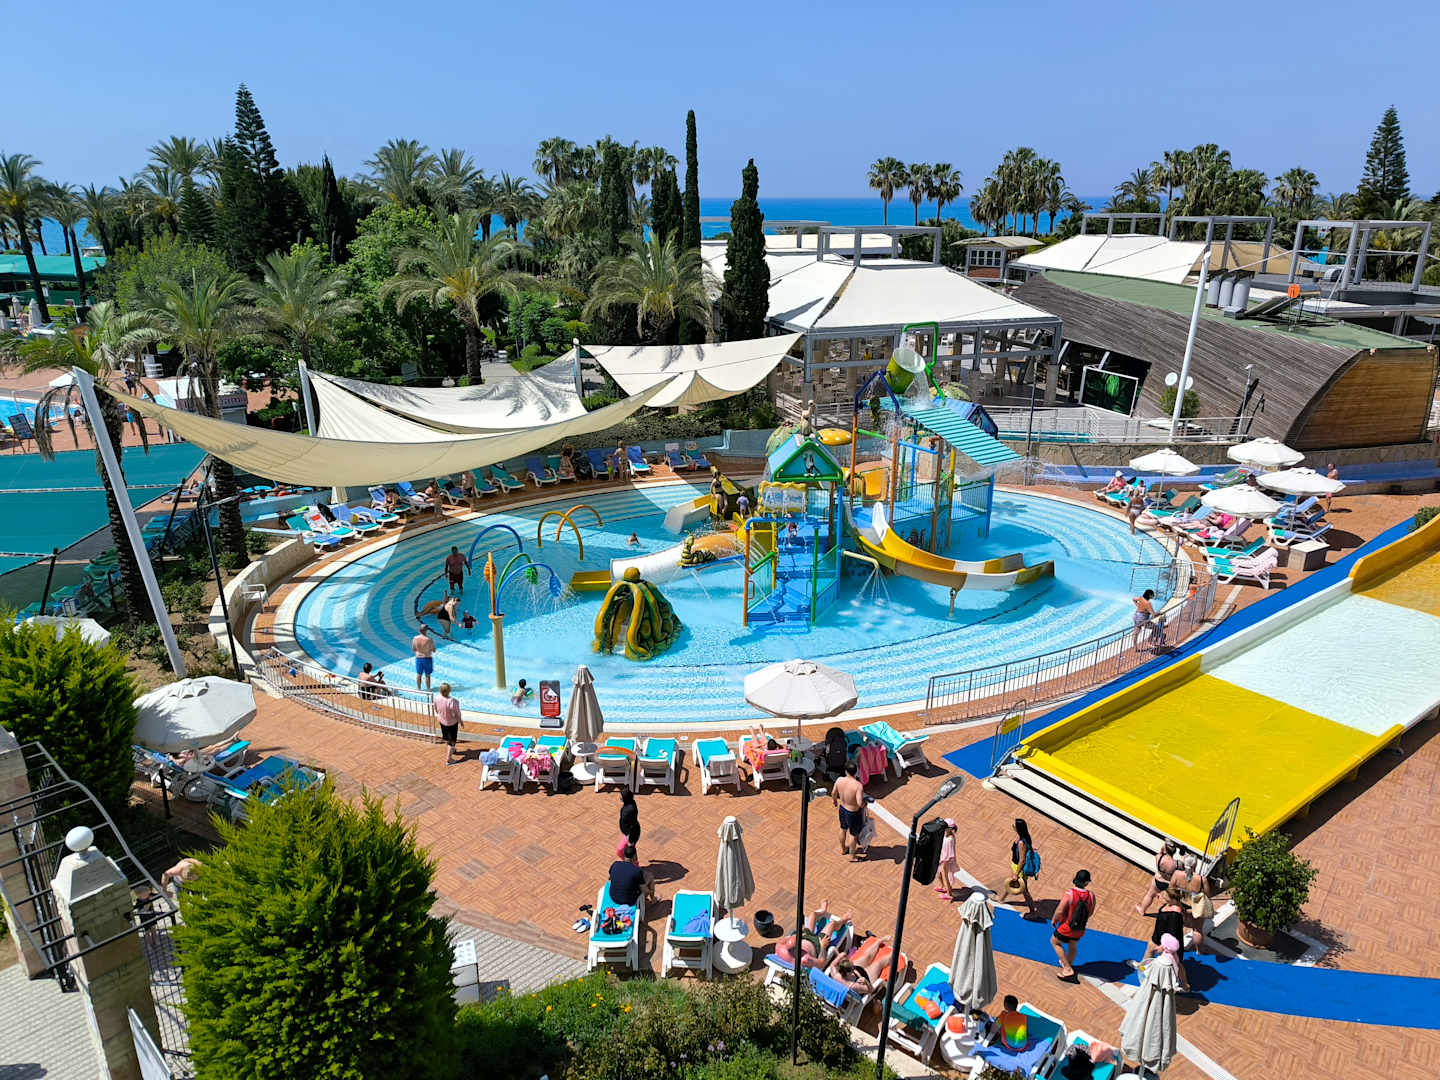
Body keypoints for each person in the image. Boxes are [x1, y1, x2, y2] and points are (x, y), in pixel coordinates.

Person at [1050, 869, 1096, 979]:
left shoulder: (1069, 894)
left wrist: (1054, 919)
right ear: (1086, 883)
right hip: (1080, 928)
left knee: (1054, 942)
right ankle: (1068, 963)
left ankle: (1067, 968)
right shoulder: (1091, 895)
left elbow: (1060, 910)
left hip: (1066, 927)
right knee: (1072, 946)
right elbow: (1090, 912)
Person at [998, 818, 1039, 918]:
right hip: (1016, 866)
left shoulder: (1021, 843)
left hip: (1019, 868)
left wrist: (1016, 873)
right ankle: (1001, 899)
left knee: (1025, 891)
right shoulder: (1025, 837)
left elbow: (1022, 860)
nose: (1013, 827)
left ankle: (1033, 912)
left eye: (1015, 826)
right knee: (1011, 882)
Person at [1138, 886, 1187, 966]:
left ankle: (1151, 971)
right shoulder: (1169, 904)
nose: (1161, 898)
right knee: (1148, 953)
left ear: (1172, 899)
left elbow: (1173, 934)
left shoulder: (1175, 915)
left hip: (1165, 944)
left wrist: (1162, 946)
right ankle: (1142, 968)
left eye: (1164, 898)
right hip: (1157, 936)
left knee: (1166, 964)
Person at [831, 761, 867, 861]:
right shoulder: (858, 786)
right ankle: (852, 856)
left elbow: (833, 793)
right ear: (856, 772)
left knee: (843, 829)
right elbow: (859, 803)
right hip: (853, 813)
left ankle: (843, 849)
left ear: (846, 771)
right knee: (853, 834)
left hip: (842, 809)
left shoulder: (839, 780)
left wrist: (834, 801)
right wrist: (865, 804)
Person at [434, 682, 463, 765]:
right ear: (449, 691)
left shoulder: (437, 698)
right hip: (451, 723)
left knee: (447, 738)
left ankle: (452, 749)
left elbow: (436, 709)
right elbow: (456, 714)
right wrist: (460, 721)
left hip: (442, 721)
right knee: (452, 741)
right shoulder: (452, 701)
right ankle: (449, 759)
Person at [935, 818, 960, 897]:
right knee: (938, 873)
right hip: (941, 858)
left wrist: (943, 862)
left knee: (946, 876)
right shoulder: (947, 835)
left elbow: (949, 854)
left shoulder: (949, 840)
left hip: (945, 861)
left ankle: (949, 893)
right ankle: (943, 886)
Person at [617, 787, 641, 859]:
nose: (620, 797)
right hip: (627, 833)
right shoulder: (630, 802)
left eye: (621, 796)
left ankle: (633, 864)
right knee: (629, 851)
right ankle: (632, 862)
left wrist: (631, 840)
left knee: (621, 851)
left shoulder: (629, 810)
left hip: (630, 835)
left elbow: (633, 825)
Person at [412, 624, 436, 690]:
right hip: (427, 658)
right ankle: (428, 689)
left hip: (418, 658)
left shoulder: (415, 638)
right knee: (427, 675)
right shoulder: (429, 639)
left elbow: (414, 649)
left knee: (419, 674)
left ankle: (419, 688)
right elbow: (434, 650)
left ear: (419, 630)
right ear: (426, 630)